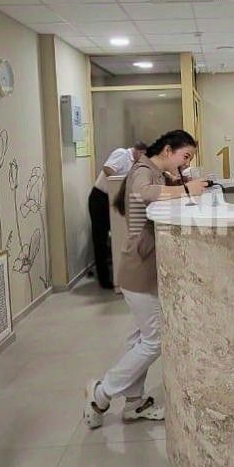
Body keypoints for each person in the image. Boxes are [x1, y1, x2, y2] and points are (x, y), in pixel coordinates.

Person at [84, 130, 208, 428]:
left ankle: (134, 402)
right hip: (138, 267)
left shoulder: (156, 172)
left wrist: (179, 183)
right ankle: (101, 394)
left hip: (144, 266)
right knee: (154, 340)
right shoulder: (143, 170)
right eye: (185, 156)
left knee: (141, 337)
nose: (186, 163)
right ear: (167, 150)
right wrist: (187, 189)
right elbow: (145, 193)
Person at [88, 141, 147, 289]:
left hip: (113, 199)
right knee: (100, 238)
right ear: (139, 151)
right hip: (100, 197)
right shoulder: (122, 154)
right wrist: (125, 182)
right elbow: (108, 169)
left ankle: (118, 274)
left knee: (117, 234)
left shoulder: (134, 163)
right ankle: (103, 279)